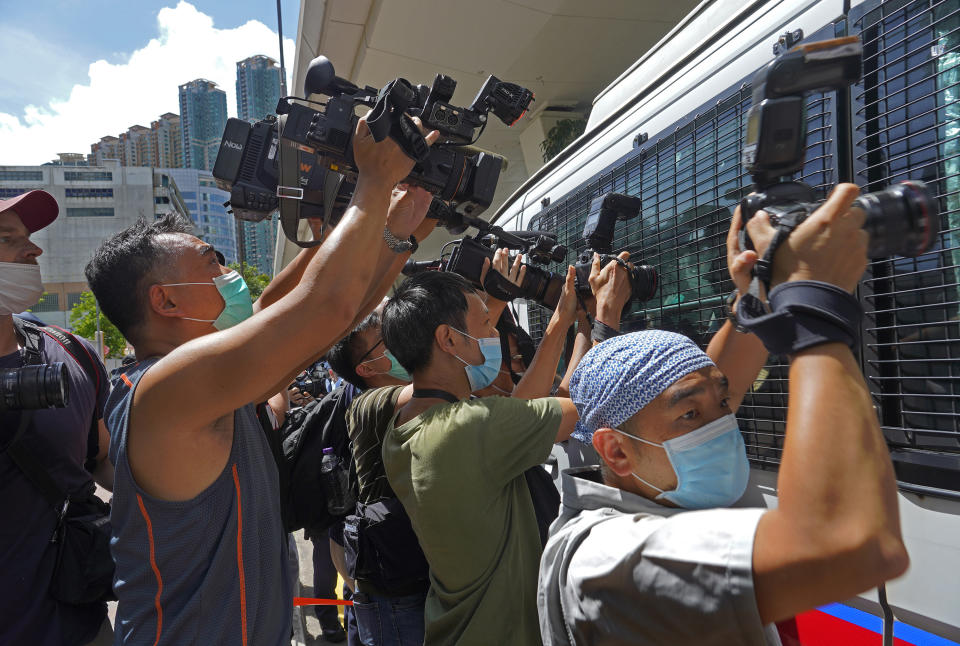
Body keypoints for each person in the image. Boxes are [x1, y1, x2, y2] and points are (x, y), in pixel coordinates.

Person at [84, 116, 438, 645]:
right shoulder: (166, 389)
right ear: (166, 300)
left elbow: (332, 323)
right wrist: (373, 185)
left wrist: (396, 233)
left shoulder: (212, 385)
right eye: (211, 262)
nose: (227, 274)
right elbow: (322, 309)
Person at [537, 185, 910, 645]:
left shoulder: (665, 485)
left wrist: (760, 287)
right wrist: (815, 304)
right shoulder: (609, 561)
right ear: (615, 451)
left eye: (724, 403)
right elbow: (854, 543)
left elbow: (715, 375)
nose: (722, 426)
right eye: (692, 415)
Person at [376, 266, 592, 646]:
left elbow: (519, 412)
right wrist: (604, 317)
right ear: (448, 339)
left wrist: (563, 320)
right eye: (486, 324)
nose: (494, 335)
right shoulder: (469, 428)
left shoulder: (405, 428)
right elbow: (590, 406)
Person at [0, 190, 114, 646]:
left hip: (80, 626)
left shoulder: (71, 352)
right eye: (7, 238)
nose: (34, 249)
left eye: (27, 237)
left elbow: (101, 460)